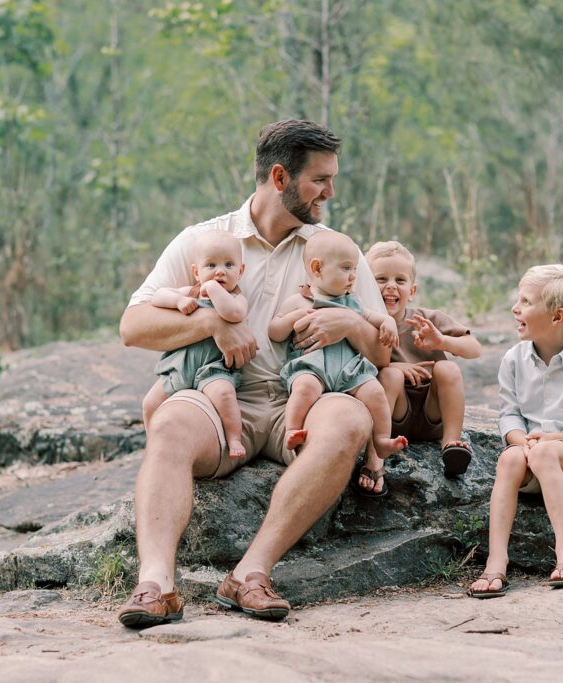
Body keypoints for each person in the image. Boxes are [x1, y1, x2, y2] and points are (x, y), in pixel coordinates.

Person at [116, 119, 389, 628]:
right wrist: (213, 322)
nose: (330, 192)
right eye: (320, 180)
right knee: (170, 423)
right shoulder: (202, 241)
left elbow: (383, 353)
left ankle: (250, 574)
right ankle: (156, 586)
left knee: (350, 421)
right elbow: (133, 326)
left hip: (301, 400)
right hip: (219, 400)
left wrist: (350, 320)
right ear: (280, 177)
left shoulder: (334, 248)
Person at [468, 264, 563, 598]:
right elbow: (509, 415)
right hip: (531, 451)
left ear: (557, 317)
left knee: (546, 453)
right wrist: (520, 440)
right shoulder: (513, 360)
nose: (515, 308)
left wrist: (558, 438)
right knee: (508, 460)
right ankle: (496, 562)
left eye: (526, 301)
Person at [355, 241, 482, 495]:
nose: (391, 286)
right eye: (381, 279)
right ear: (366, 286)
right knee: (389, 374)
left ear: (411, 291)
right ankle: (376, 458)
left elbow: (474, 348)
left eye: (399, 280)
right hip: (392, 417)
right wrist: (395, 366)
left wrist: (442, 341)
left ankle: (451, 444)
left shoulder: (427, 319)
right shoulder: (361, 324)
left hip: (431, 413)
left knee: (448, 369)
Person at [269, 231, 407, 459]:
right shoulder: (299, 301)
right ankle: (292, 429)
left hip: (350, 370)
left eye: (354, 269)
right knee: (304, 388)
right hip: (311, 368)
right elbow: (275, 332)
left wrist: (389, 322)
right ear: (317, 269)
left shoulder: (354, 303)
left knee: (375, 392)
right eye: (345, 268)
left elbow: (376, 318)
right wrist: (292, 319)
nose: (353, 276)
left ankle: (381, 439)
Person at [141, 231, 249, 459]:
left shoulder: (236, 298)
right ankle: (153, 445)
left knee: (225, 396)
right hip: (181, 366)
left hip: (213, 369)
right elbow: (157, 296)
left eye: (229, 265)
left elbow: (233, 313)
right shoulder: (189, 291)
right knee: (150, 403)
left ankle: (234, 438)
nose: (220, 271)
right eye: (211, 265)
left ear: (240, 272)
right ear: (196, 272)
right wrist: (178, 300)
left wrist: (213, 289)